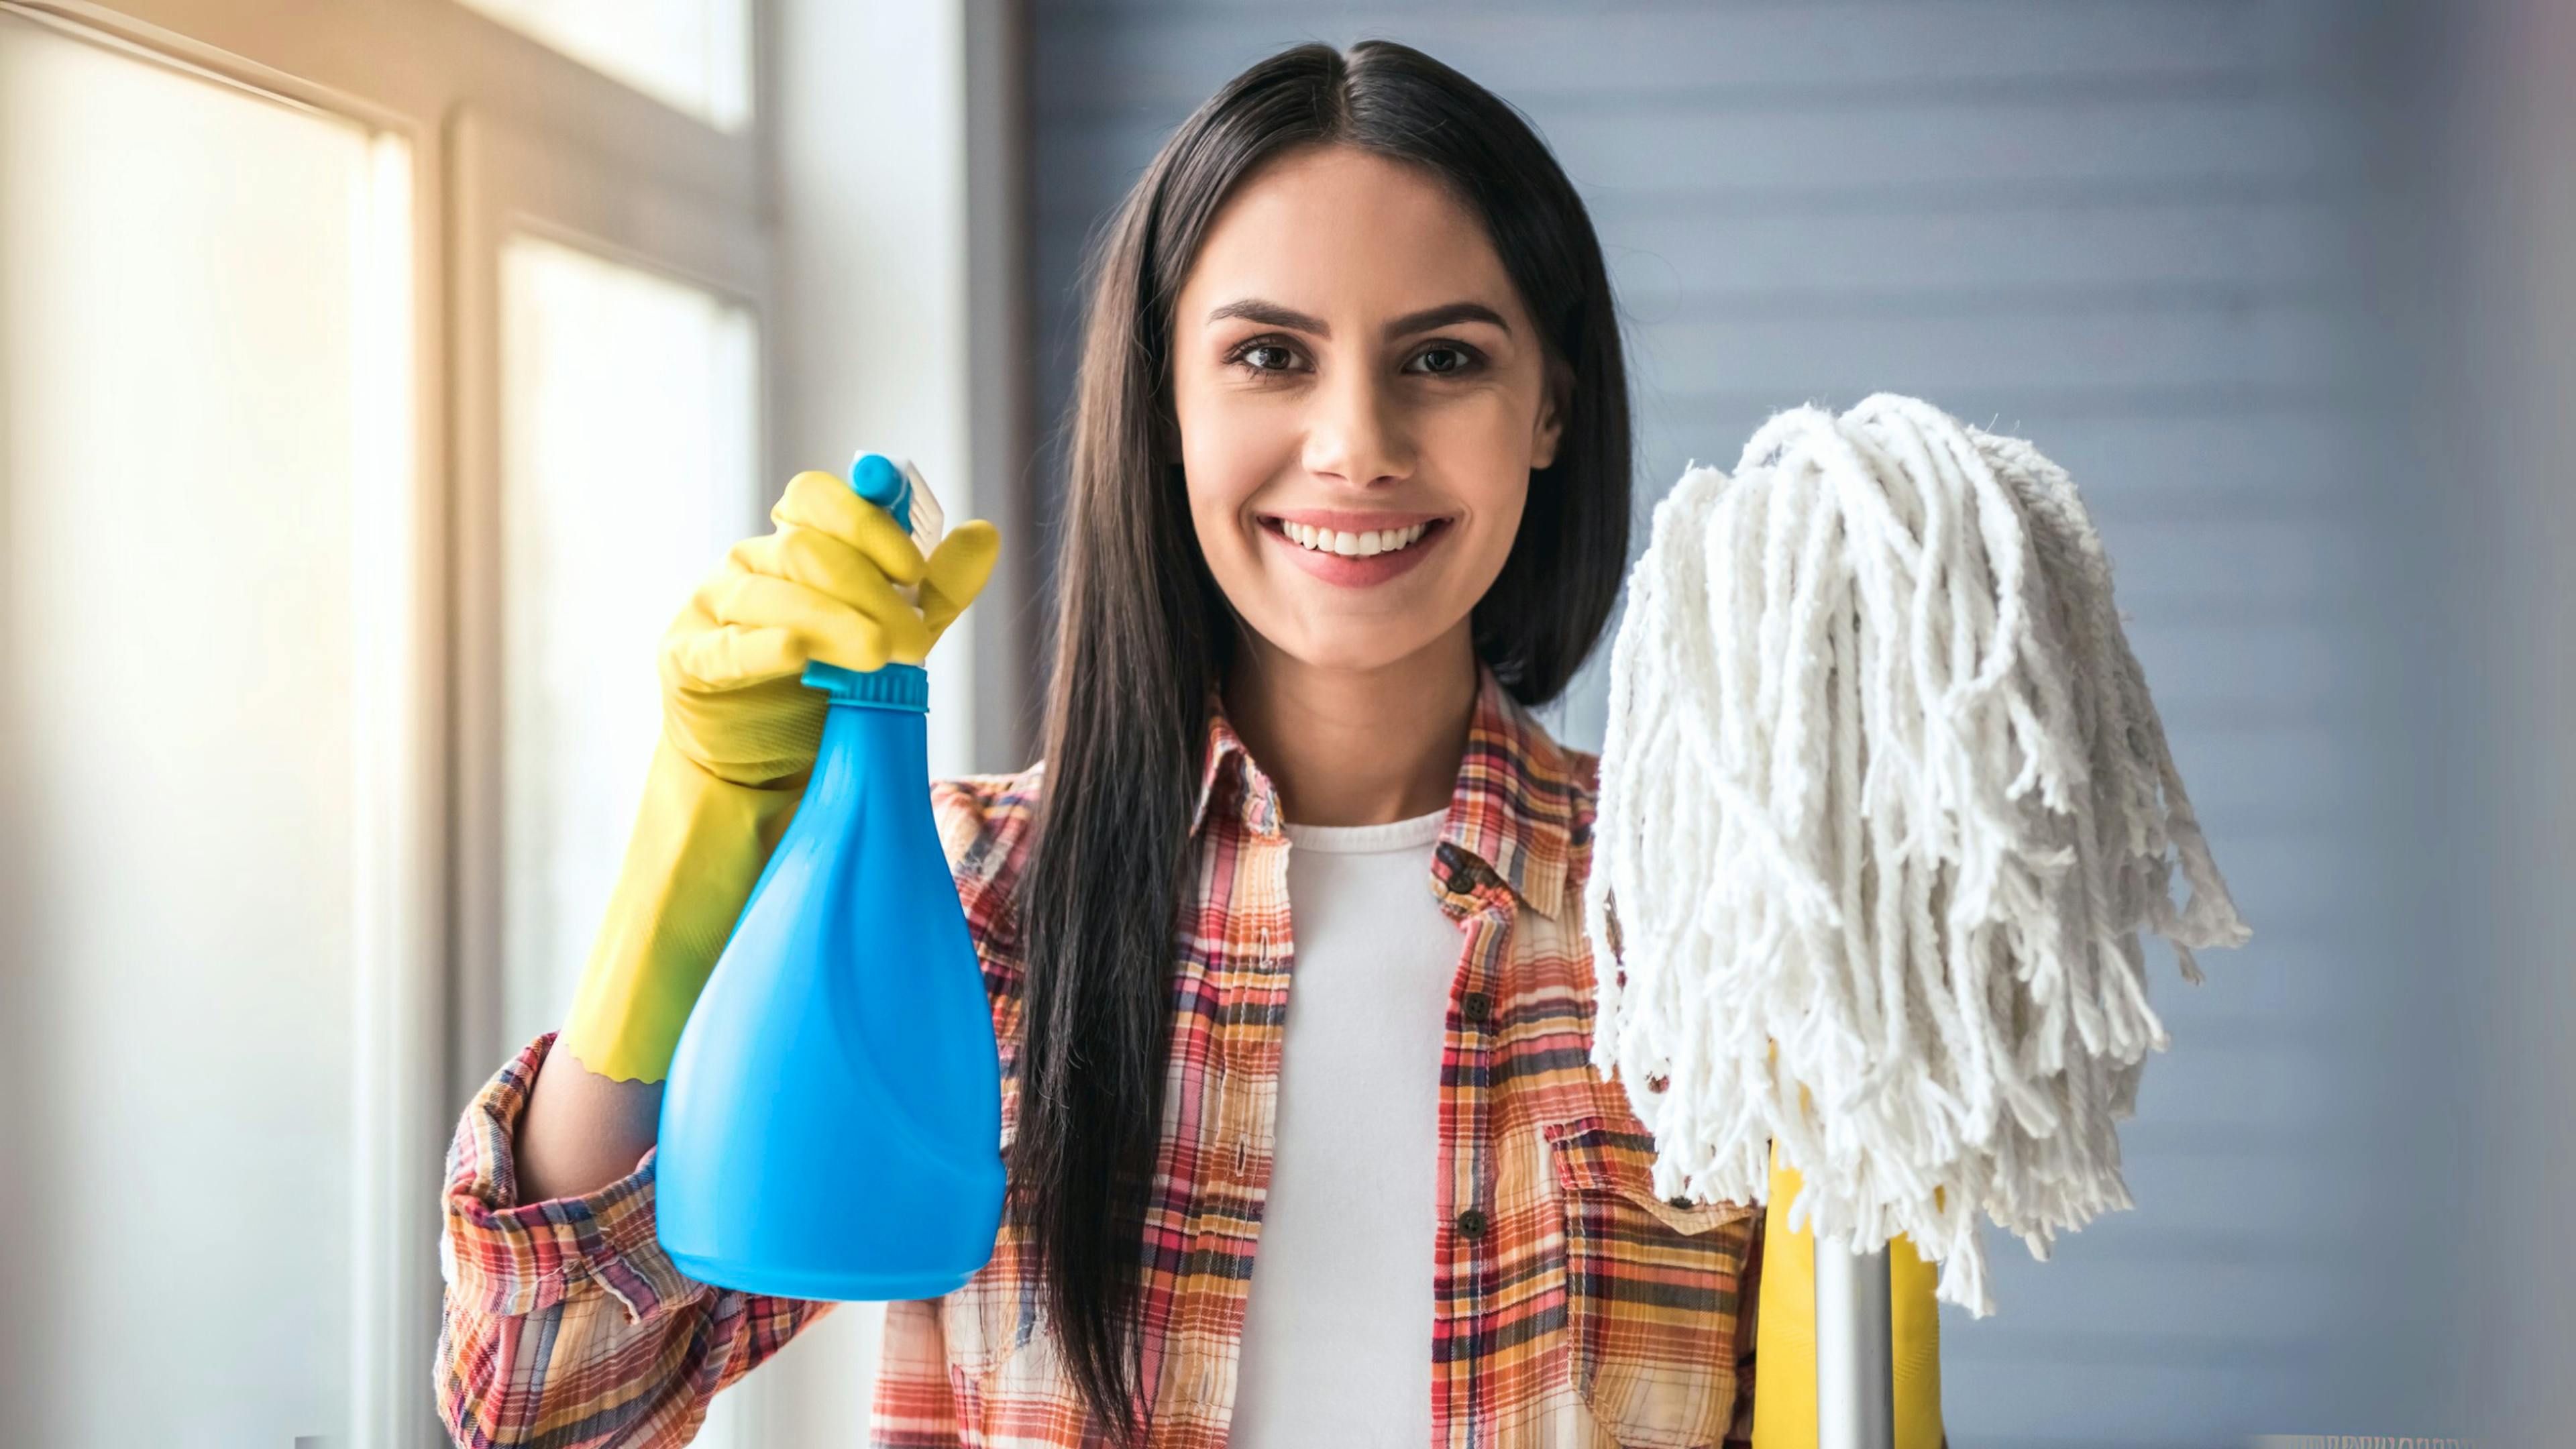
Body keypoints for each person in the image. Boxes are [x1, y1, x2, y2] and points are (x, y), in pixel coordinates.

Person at [437, 38, 1943, 1449]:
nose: (1355, 442)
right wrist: (696, 836)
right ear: (1162, 397)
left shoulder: (1715, 927)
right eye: (1272, 357)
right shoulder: (969, 911)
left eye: (1442, 360)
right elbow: (545, 1407)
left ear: (1551, 402)